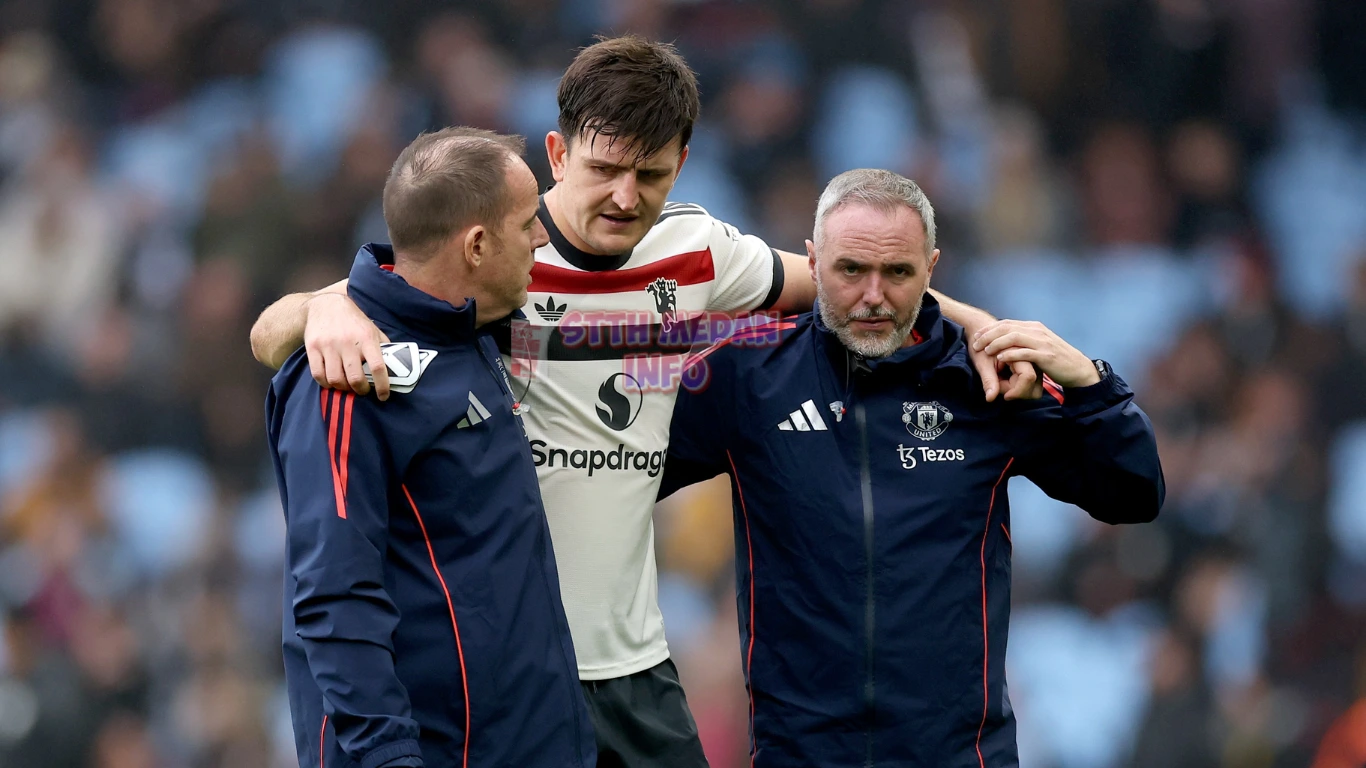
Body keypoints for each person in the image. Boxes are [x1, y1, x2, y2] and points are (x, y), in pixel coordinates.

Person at [250, 36, 1038, 766]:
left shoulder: (699, 254)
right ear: (558, 154)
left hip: (633, 664)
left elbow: (862, 295)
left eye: (652, 174)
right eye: (604, 169)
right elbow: (309, 321)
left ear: (682, 165)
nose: (626, 197)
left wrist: (994, 332)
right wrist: (321, 307)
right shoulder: (496, 257)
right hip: (506, 680)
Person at [658, 168, 1165, 767]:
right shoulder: (747, 375)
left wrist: (1091, 384)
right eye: (851, 270)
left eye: (897, 272)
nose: (874, 296)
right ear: (813, 263)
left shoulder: (987, 382)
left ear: (931, 268)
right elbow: (615, 467)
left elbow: (1134, 493)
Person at [266, 127, 595, 768]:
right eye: (528, 222)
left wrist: (319, 301)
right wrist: (388, 758)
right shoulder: (344, 378)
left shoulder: (476, 326)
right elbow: (335, 596)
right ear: (476, 244)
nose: (542, 238)